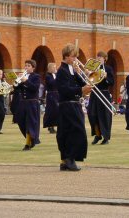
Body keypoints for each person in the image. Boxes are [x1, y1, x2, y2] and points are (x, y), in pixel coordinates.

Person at [56, 43, 92, 171]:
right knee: (75, 132)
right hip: (67, 106)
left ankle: (66, 160)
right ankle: (69, 158)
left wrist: (86, 75)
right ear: (66, 56)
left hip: (74, 105)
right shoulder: (62, 71)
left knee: (70, 132)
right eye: (73, 57)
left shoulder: (72, 70)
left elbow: (83, 83)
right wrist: (81, 90)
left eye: (76, 57)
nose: (76, 59)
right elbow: (64, 90)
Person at [87, 51, 114, 145]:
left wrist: (105, 77)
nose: (98, 59)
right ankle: (97, 135)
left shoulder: (108, 69)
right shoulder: (94, 68)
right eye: (97, 57)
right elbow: (90, 80)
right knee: (92, 114)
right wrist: (88, 73)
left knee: (104, 116)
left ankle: (106, 137)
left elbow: (111, 82)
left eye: (100, 57)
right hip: (94, 94)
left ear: (105, 58)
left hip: (104, 93)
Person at [15, 59, 41, 151]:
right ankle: (30, 140)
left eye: (28, 66)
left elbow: (34, 88)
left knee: (30, 123)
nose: (26, 67)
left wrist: (25, 80)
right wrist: (18, 81)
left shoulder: (36, 76)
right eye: (25, 65)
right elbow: (17, 89)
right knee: (21, 122)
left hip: (32, 103)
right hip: (23, 103)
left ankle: (27, 144)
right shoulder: (23, 76)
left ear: (33, 67)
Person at [43, 62, 59, 134]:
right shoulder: (47, 76)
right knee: (51, 110)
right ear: (50, 68)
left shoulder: (54, 75)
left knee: (57, 111)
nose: (55, 69)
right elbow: (52, 83)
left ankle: (56, 125)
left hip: (57, 94)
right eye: (54, 67)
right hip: (51, 95)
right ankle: (50, 126)